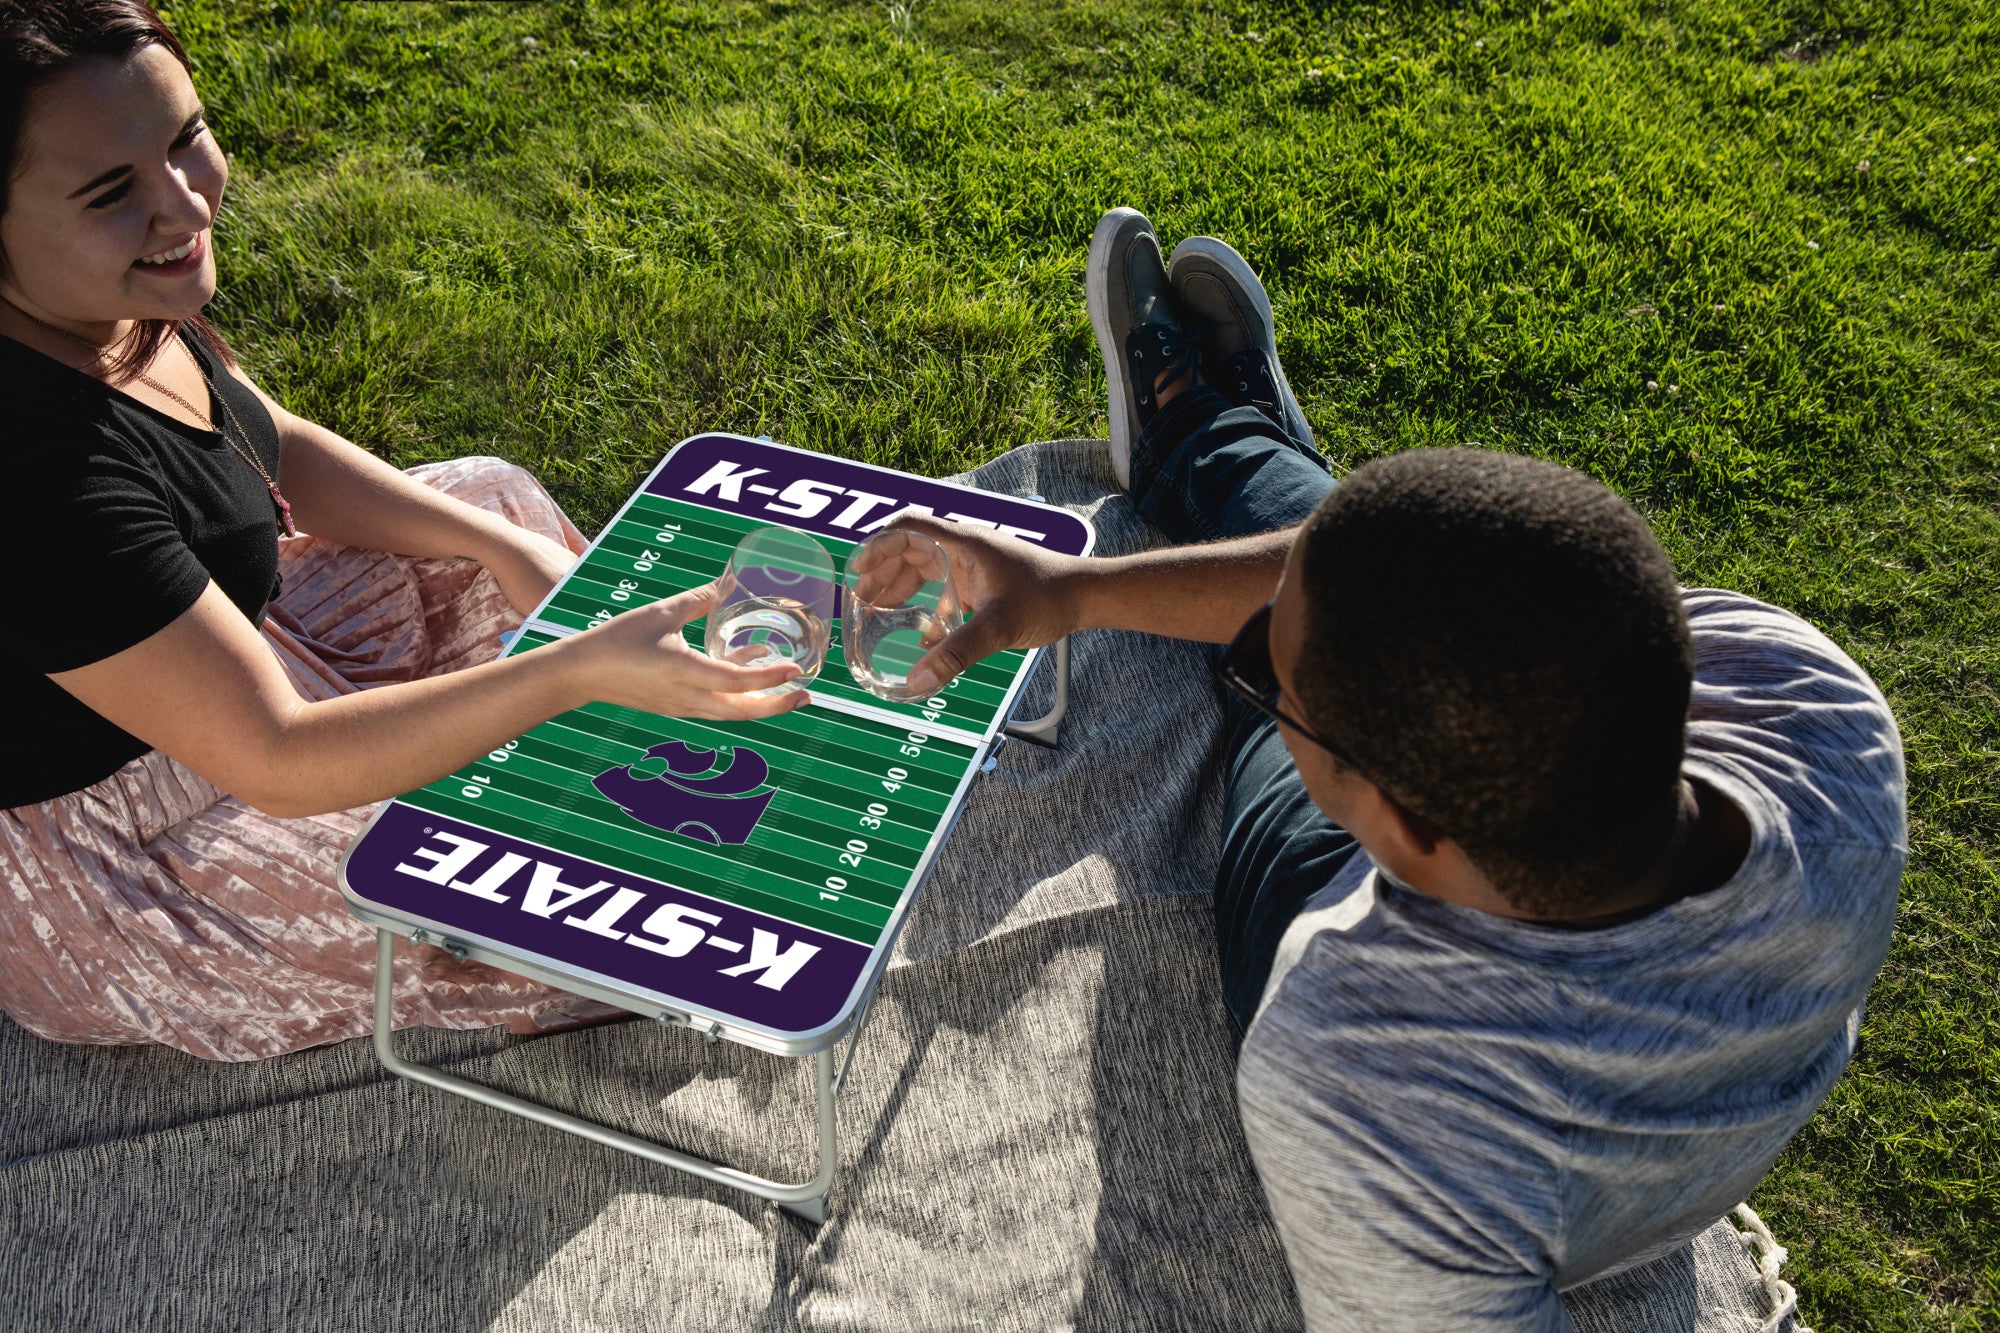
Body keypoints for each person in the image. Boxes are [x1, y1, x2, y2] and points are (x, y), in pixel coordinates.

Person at [886, 206, 1905, 1328]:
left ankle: (1215, 444)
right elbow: (1439, 590)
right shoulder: (1812, 701)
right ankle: (1230, 449)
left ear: (1397, 824)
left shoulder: (1362, 1071)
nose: (1261, 691)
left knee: (1313, 626)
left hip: (1338, 916)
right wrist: (1065, 592)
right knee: (1375, 569)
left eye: (1272, 689)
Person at [0, 0, 802, 1061]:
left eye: (185, 137)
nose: (184, 200)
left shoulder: (103, 301)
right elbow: (277, 757)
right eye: (112, 192)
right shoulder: (33, 468)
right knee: (579, 895)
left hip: (244, 661)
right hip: (136, 856)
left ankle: (616, 714)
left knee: (488, 499)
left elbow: (262, 439)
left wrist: (500, 549)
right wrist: (570, 672)